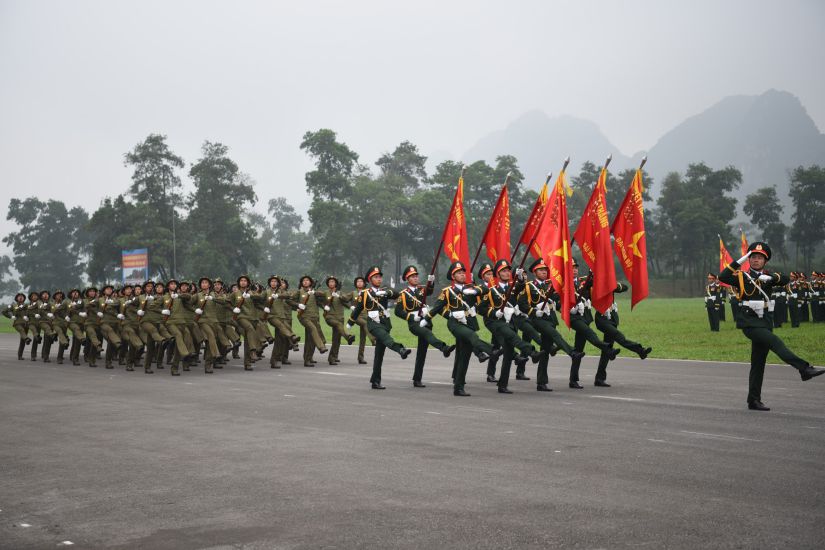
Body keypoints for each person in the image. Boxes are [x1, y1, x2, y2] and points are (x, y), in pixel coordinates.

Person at [718, 242, 824, 411]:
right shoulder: (742, 277)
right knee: (775, 342)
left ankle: (753, 400)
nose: (755, 260)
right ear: (749, 259)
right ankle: (804, 368)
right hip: (750, 323)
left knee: (758, 363)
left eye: (759, 258)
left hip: (765, 322)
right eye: (753, 257)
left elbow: (786, 279)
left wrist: (772, 278)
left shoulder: (768, 276)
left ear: (765, 261)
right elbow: (723, 277)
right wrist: (741, 259)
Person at [421, 261, 499, 396]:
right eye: (459, 273)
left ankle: (459, 387)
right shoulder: (447, 291)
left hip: (469, 322)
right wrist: (426, 318)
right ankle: (492, 351)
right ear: (453, 276)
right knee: (472, 336)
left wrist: (475, 290)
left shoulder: (471, 288)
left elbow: (487, 289)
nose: (462, 275)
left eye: (463, 272)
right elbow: (437, 307)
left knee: (464, 357)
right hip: (455, 324)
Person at [477, 259, 545, 394]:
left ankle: (502, 385)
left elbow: (520, 287)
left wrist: (520, 278)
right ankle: (531, 352)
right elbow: (481, 309)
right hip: (496, 322)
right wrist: (494, 312)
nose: (507, 273)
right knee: (512, 336)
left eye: (508, 270)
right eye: (503, 271)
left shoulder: (512, 287)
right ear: (498, 273)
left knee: (508, 354)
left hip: (510, 321)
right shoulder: (491, 290)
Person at [517, 258, 585, 392]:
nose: (543, 272)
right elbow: (522, 304)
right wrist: (533, 311)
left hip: (550, 319)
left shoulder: (551, 284)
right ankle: (572, 352)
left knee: (545, 352)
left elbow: (557, 301)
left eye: (545, 270)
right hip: (538, 320)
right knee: (554, 335)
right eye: (540, 270)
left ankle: (541, 383)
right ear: (535, 272)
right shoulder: (529, 286)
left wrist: (569, 308)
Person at [347, 266, 410, 389]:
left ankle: (375, 381)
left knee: (379, 355)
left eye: (380, 277)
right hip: (373, 323)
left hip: (385, 323)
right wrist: (350, 322)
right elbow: (358, 309)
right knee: (386, 338)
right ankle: (400, 349)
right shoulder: (365, 294)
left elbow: (397, 294)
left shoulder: (385, 290)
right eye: (376, 277)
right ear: (370, 280)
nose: (379, 279)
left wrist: (386, 293)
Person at [394, 265, 454, 388]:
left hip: (426, 322)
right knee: (427, 333)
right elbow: (397, 311)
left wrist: (431, 281)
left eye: (416, 276)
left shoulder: (422, 289)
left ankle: (417, 379)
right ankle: (443, 348)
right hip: (414, 324)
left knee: (422, 352)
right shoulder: (403, 294)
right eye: (412, 277)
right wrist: (411, 317)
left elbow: (430, 291)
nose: (416, 278)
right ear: (407, 278)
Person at [567, 262, 621, 389]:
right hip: (575, 318)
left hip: (586, 319)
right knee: (581, 347)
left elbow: (593, 283)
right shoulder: (565, 283)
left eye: (576, 267)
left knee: (578, 350)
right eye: (572, 268)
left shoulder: (583, 281)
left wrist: (594, 272)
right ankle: (573, 380)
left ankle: (597, 378)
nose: (574, 270)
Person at [592, 283, 652, 387]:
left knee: (607, 350)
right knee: (619, 337)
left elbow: (625, 287)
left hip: (612, 320)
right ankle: (640, 350)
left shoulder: (608, 282)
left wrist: (614, 285)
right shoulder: (593, 285)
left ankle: (599, 379)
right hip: (602, 320)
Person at [322, 275, 356, 365]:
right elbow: (316, 298)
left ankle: (333, 357)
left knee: (336, 338)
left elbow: (345, 299)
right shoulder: (325, 293)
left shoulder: (340, 293)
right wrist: (324, 306)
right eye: (330, 282)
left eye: (333, 282)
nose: (331, 283)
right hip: (330, 317)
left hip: (340, 317)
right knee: (338, 326)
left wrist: (338, 296)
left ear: (336, 284)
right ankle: (348, 337)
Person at [296, 275, 328, 366]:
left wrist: (314, 292)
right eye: (304, 280)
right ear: (302, 283)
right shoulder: (299, 292)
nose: (305, 282)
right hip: (304, 317)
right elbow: (290, 300)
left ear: (310, 282)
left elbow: (324, 294)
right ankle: (321, 347)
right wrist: (298, 305)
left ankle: (308, 358)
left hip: (314, 317)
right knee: (313, 330)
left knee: (310, 339)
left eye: (307, 280)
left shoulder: (314, 292)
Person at [351, 276, 376, 364]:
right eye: (358, 281)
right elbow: (343, 298)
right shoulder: (353, 293)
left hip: (366, 315)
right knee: (365, 324)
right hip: (356, 317)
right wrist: (350, 306)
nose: (359, 283)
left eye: (361, 281)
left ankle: (360, 358)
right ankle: (373, 340)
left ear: (364, 283)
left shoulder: (367, 293)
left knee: (363, 339)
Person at [3, 292, 31, 360]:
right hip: (17, 323)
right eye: (19, 296)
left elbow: (32, 312)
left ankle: (20, 356)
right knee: (22, 331)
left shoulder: (27, 306)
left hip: (25, 324)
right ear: (17, 298)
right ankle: (27, 339)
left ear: (24, 298)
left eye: (22, 296)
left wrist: (28, 317)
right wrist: (11, 316)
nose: (21, 297)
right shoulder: (13, 306)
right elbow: (4, 311)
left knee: (23, 340)